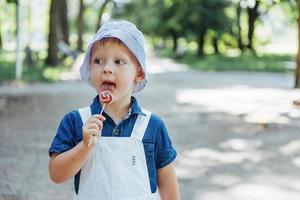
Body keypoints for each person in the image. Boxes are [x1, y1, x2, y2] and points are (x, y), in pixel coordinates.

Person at [48, 20, 179, 200]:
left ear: (139, 73)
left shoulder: (152, 126)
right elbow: (56, 174)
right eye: (98, 61)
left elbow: (168, 185)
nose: (107, 69)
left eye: (119, 61)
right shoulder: (76, 121)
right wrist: (84, 146)